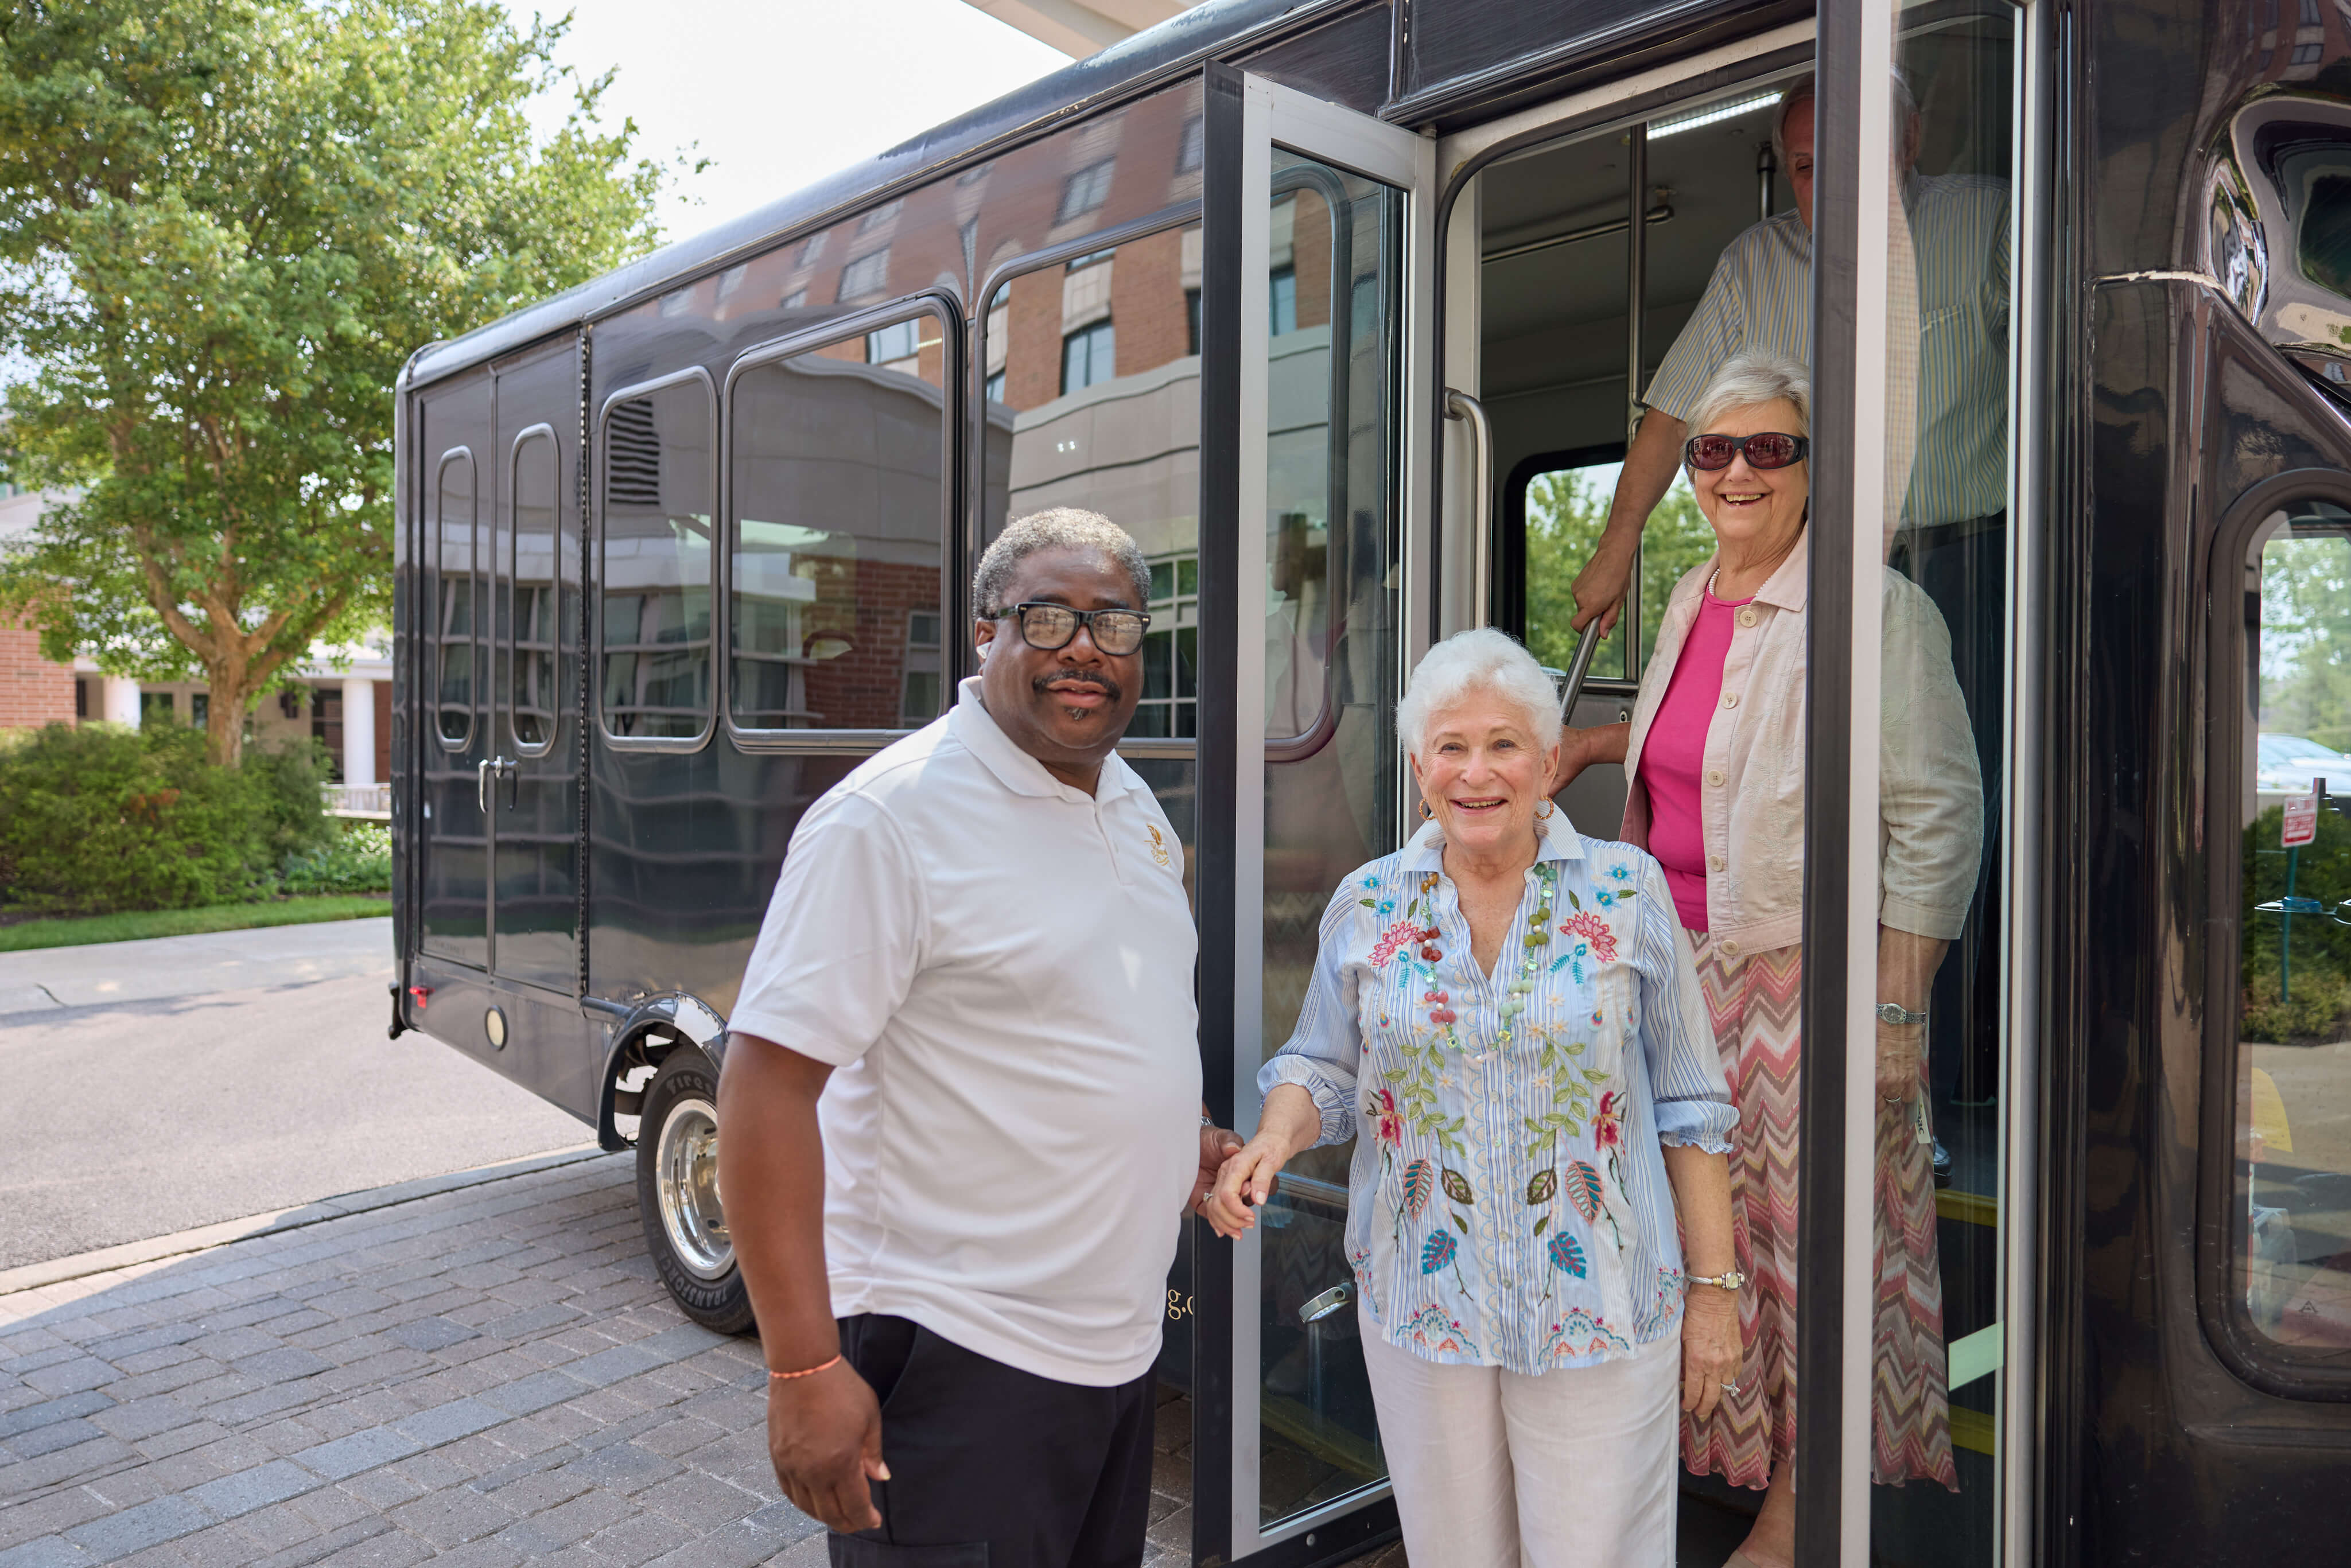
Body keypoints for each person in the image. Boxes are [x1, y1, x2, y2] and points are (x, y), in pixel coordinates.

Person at [716, 508, 1241, 1567]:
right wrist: (802, 1369)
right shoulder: (891, 819)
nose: (1084, 646)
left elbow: (1102, 1010)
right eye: (1048, 618)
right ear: (984, 633)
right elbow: (764, 1089)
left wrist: (1168, 1132)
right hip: (958, 1358)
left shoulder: (1133, 804)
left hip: (1114, 1351)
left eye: (1115, 623)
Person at [1551, 356, 1982, 1568]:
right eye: (1711, 450)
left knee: (1806, 1257)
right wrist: (1584, 740)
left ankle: (1799, 1518)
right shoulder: (1692, 594)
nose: (1735, 470)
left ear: (1807, 470)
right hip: (1673, 975)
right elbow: (1699, 739)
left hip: (1806, 987)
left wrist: (1894, 1009)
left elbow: (1938, 817)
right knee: (1699, 1241)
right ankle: (1695, 1469)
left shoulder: (1872, 609)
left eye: (1767, 450)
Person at [1207, 627, 1743, 1568]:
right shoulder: (1368, 903)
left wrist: (1713, 1294)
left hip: (1601, 1309)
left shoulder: (1628, 891)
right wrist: (1269, 1142)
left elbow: (1691, 1109)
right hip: (1427, 1303)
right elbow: (1319, 1070)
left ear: (1545, 761)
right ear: (1420, 766)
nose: (1475, 771)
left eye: (1501, 744)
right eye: (1450, 746)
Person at [1568, 71, 2010, 636]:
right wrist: (1618, 544)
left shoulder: (1988, 220)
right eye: (1806, 168)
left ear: (1907, 143)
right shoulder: (1751, 266)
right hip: (1817, 568)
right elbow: (1670, 419)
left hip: (1966, 563)